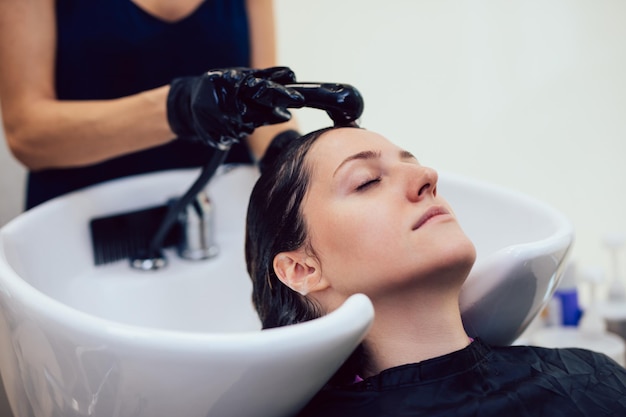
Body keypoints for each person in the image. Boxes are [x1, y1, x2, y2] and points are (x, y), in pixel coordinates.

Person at [245, 126, 626, 416]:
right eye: (368, 181)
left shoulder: (593, 374)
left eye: (413, 164)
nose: (427, 176)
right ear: (300, 269)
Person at [0, 0, 300, 209]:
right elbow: (27, 134)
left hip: (220, 217)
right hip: (83, 227)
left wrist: (297, 161)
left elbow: (260, 100)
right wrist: (177, 108)